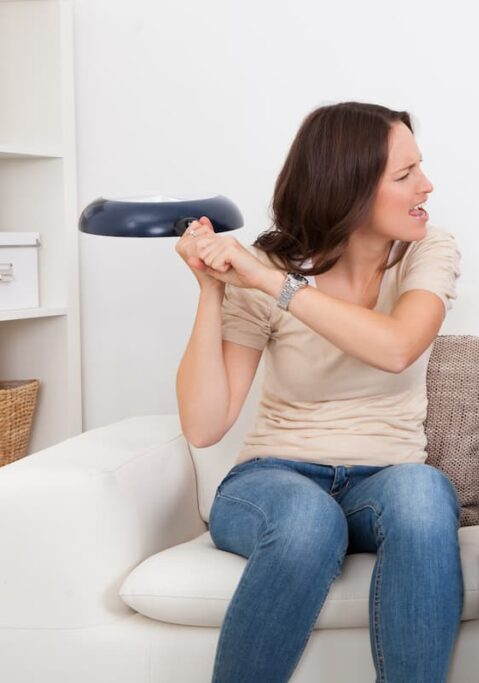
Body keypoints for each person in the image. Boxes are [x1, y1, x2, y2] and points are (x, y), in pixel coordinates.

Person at [175, 102, 462, 683]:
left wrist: (270, 282)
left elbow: (397, 346)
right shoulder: (270, 269)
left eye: (420, 168)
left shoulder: (428, 252)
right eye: (405, 175)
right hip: (272, 479)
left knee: (426, 494)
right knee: (309, 522)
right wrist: (212, 292)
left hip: (384, 477)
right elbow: (206, 425)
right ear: (350, 188)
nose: (426, 186)